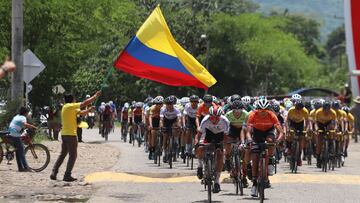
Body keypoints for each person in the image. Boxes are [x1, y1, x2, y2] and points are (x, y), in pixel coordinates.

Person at [50, 91, 101, 182]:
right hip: (71, 134)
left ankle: (54, 172)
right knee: (73, 155)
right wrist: (95, 96)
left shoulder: (66, 107)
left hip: (64, 134)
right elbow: (84, 103)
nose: (75, 100)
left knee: (63, 154)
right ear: (72, 100)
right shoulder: (70, 106)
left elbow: (81, 113)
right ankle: (67, 175)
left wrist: (89, 110)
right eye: (74, 99)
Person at [245, 98, 284, 197]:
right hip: (257, 134)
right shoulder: (252, 115)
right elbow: (248, 132)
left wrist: (278, 140)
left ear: (268, 109)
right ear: (257, 109)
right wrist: (249, 140)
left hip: (268, 132)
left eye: (265, 110)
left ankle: (270, 159)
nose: (262, 113)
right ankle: (254, 183)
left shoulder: (272, 115)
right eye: (260, 110)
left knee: (271, 141)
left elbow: (281, 132)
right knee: (254, 158)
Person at [195, 106, 230, 193]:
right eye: (212, 118)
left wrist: (224, 148)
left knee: (220, 155)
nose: (214, 120)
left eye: (217, 118)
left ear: (220, 116)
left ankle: (217, 182)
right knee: (200, 148)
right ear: (209, 116)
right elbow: (198, 134)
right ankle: (200, 166)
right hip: (209, 135)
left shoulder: (225, 121)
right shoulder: (205, 120)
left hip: (220, 136)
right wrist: (196, 143)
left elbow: (226, 137)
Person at [8, 107, 37, 171]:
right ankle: (26, 167)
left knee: (18, 151)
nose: (28, 114)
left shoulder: (17, 116)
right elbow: (25, 124)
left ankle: (20, 168)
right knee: (22, 151)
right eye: (27, 113)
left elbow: (19, 125)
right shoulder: (23, 117)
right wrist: (33, 127)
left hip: (11, 132)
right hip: (15, 134)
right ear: (25, 113)